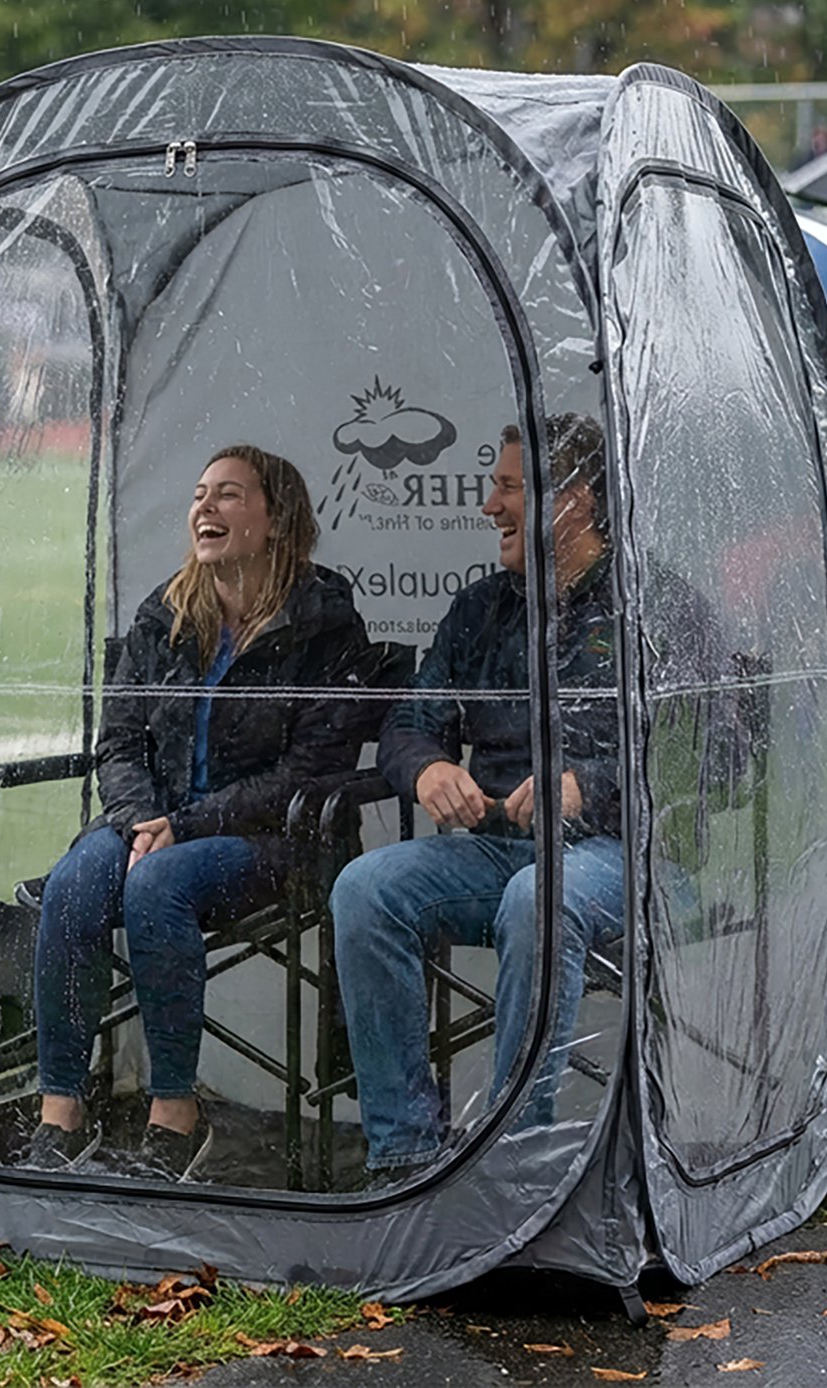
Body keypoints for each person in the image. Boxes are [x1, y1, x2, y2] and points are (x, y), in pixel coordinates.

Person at [28, 445, 374, 1181]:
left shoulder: (324, 619)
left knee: (157, 886)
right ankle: (61, 1111)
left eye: (228, 495)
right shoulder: (166, 612)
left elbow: (310, 772)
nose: (204, 509)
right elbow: (117, 743)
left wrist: (184, 827)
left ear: (277, 520)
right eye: (197, 495)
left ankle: (176, 1118)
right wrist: (141, 819)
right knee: (76, 883)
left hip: (277, 839)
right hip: (153, 824)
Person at [330, 415, 625, 1183]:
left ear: (576, 500)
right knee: (366, 887)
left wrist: (589, 786)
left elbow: (713, 754)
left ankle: (514, 1160)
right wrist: (425, 766)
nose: (489, 507)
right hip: (499, 851)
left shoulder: (645, 606)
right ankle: (407, 1154)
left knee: (541, 894)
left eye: (508, 489)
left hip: (626, 859)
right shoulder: (480, 608)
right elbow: (409, 724)